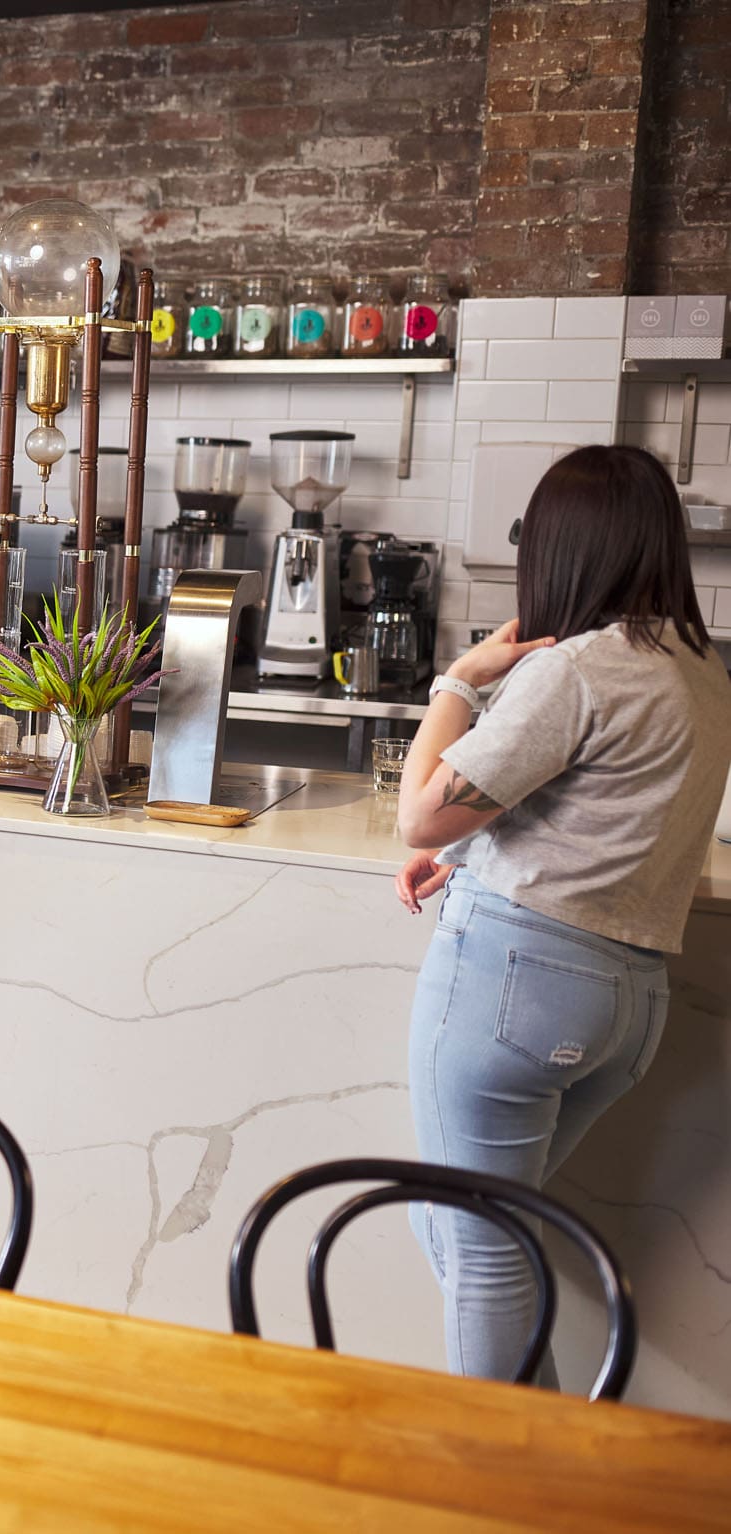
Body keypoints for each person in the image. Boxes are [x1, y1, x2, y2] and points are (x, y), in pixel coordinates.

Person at [392, 444, 731, 1387]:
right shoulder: (703, 672)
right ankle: (541, 1468)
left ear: (562, 550)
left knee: (484, 1245)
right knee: (469, 1230)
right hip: (628, 1008)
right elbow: (601, 819)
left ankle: (499, 1498)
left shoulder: (578, 667)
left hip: (515, 985)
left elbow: (415, 810)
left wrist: (460, 679)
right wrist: (461, 851)